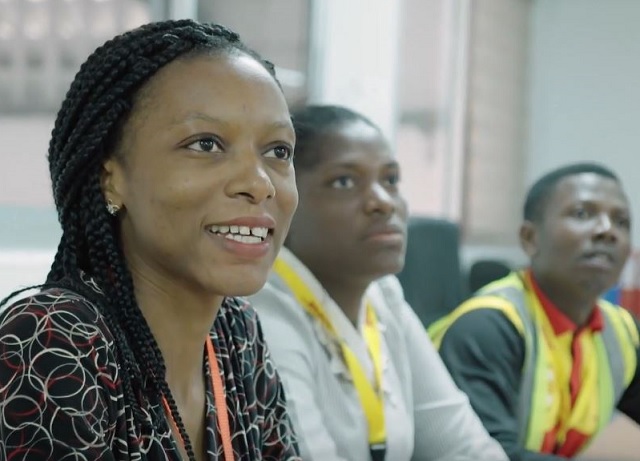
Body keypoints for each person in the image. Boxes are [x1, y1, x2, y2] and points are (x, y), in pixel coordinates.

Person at [0, 20, 301, 461]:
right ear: (111, 180)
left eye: (278, 151)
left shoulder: (235, 334)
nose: (259, 184)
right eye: (205, 144)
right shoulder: (55, 340)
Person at [249, 105, 508, 461]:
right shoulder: (259, 306)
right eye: (344, 181)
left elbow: (464, 445)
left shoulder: (384, 296)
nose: (383, 203)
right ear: (284, 198)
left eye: (390, 180)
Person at [429, 163, 640, 460]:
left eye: (621, 221)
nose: (607, 231)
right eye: (582, 214)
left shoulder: (623, 332)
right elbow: (490, 455)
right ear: (530, 238)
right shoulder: (487, 328)